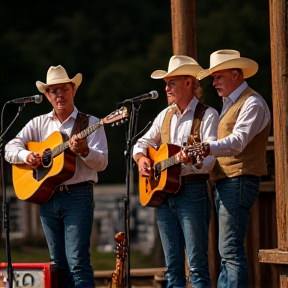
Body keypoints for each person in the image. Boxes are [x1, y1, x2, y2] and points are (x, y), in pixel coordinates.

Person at [5, 65, 108, 288]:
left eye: (64, 89)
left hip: (78, 196)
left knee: (77, 263)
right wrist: (27, 155)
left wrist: (84, 151)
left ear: (73, 91)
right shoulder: (38, 123)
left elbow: (102, 162)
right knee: (57, 265)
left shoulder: (91, 123)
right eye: (53, 91)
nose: (59, 95)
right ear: (47, 95)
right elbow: (9, 148)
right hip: (47, 197)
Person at [133, 55, 219, 288]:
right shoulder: (166, 114)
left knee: (197, 265)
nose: (166, 87)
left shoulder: (207, 114)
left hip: (193, 190)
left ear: (189, 83)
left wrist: (187, 162)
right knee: (172, 266)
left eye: (171, 82)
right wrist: (142, 159)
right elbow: (140, 144)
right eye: (166, 82)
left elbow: (209, 159)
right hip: (164, 195)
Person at [195, 49, 271, 288]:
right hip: (228, 181)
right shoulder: (235, 103)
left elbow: (237, 143)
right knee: (228, 250)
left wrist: (205, 148)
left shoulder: (253, 102)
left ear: (236, 75)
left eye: (218, 76)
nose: (214, 82)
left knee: (229, 250)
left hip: (239, 180)